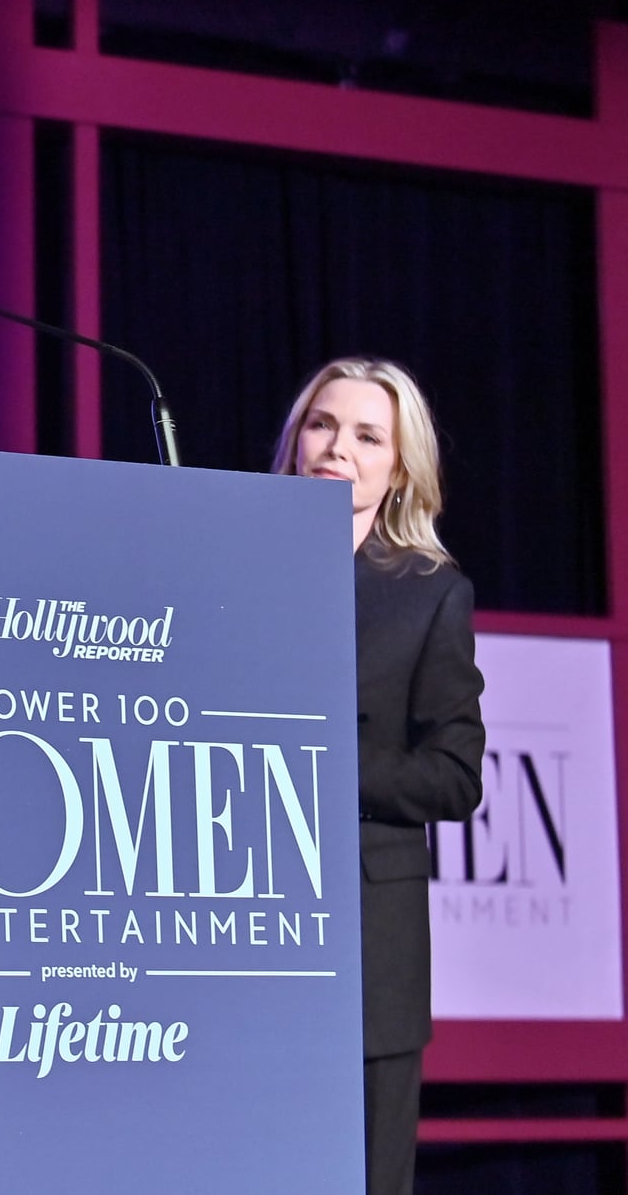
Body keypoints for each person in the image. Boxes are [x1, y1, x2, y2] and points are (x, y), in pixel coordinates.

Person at [271, 357, 486, 1195]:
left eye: (368, 435)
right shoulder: (218, 565)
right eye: (323, 425)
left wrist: (320, 770)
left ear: (399, 467)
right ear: (296, 442)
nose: (338, 448)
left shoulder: (430, 594)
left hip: (367, 937)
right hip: (237, 920)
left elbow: (455, 774)